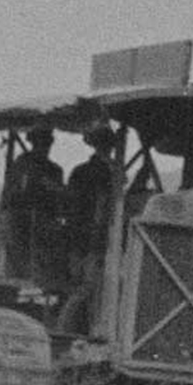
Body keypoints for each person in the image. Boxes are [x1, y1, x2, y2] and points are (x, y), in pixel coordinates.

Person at [56, 125, 121, 334]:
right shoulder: (107, 173)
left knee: (80, 286)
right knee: (89, 289)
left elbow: (69, 204)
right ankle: (71, 328)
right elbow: (103, 208)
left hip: (77, 238)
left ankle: (70, 327)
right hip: (94, 240)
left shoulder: (79, 171)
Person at [0, 125, 64, 283]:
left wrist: (55, 191)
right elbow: (10, 196)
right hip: (20, 226)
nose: (44, 147)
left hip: (43, 228)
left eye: (46, 143)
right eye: (41, 143)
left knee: (37, 268)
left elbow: (59, 203)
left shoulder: (53, 170)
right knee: (19, 267)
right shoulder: (21, 166)